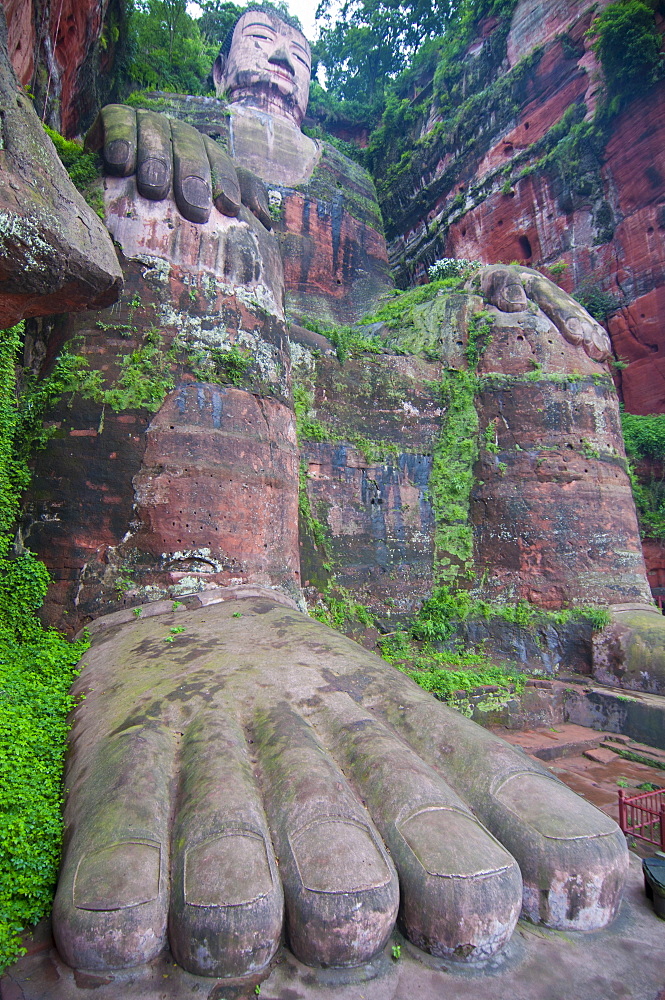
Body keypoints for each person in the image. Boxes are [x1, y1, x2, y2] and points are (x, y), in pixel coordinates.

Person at [36, 7, 630, 985]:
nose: (283, 57)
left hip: (333, 360)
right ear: (224, 56)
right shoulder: (178, 116)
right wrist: (130, 140)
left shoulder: (346, 178)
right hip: (229, 333)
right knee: (181, 193)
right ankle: (188, 615)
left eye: (301, 50)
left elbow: (369, 313)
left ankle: (593, 599)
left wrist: (456, 297)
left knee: (523, 314)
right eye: (262, 39)